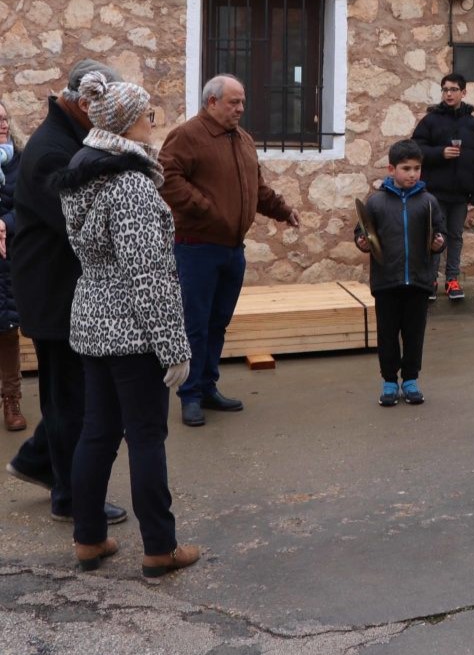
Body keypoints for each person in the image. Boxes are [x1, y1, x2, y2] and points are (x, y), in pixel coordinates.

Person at [56, 71, 200, 578]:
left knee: (97, 433)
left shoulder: (81, 172)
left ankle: (89, 539)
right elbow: (150, 277)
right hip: (134, 332)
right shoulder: (131, 186)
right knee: (145, 437)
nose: (150, 122)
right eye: (145, 115)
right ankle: (160, 548)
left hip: (93, 321)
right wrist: (174, 348)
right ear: (123, 124)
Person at [5, 60, 127, 526]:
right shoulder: (53, 151)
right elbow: (79, 225)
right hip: (54, 293)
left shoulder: (66, 139)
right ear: (81, 103)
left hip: (58, 289)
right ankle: (71, 498)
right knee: (72, 398)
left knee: (66, 392)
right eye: (101, 107)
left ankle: (38, 460)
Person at [159, 74, 299, 427]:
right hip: (196, 249)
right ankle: (189, 396)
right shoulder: (188, 135)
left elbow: (257, 187)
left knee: (218, 323)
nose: (241, 108)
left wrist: (283, 210)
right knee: (195, 325)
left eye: (242, 101)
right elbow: (166, 177)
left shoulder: (243, 140)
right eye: (233, 102)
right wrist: (204, 208)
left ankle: (208, 387)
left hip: (231, 250)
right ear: (212, 102)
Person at [355, 140, 446, 407]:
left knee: (414, 334)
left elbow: (439, 233)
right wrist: (362, 241)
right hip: (386, 281)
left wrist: (438, 242)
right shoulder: (376, 203)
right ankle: (388, 382)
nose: (412, 174)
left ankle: (410, 380)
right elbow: (362, 232)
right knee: (387, 334)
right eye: (406, 168)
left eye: (417, 168)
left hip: (418, 280)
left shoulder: (428, 202)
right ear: (391, 169)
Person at [412, 73, 474, 302]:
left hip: (460, 195)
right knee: (434, 236)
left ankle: (452, 280)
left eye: (454, 89)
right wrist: (440, 153)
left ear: (463, 93)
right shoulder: (431, 121)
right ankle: (430, 280)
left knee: (455, 236)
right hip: (434, 192)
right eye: (445, 89)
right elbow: (415, 148)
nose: (449, 94)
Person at [0, 99, 27, 431]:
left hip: (9, 258)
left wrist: (5, 223)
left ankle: (12, 399)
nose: (3, 125)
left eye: (5, 118)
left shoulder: (21, 160)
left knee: (7, 332)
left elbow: (29, 204)